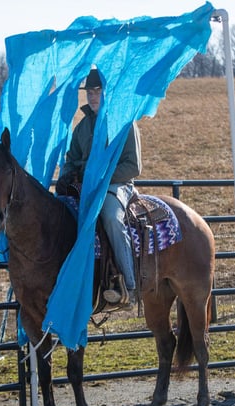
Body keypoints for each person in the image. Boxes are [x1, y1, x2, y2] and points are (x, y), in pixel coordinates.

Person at [56, 68, 142, 308]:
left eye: (97, 91)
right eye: (89, 92)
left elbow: (133, 166)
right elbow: (71, 159)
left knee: (111, 218)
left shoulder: (125, 123)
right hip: (85, 187)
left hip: (116, 185)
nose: (92, 96)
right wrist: (67, 176)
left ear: (108, 93)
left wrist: (101, 178)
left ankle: (129, 286)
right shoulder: (82, 127)